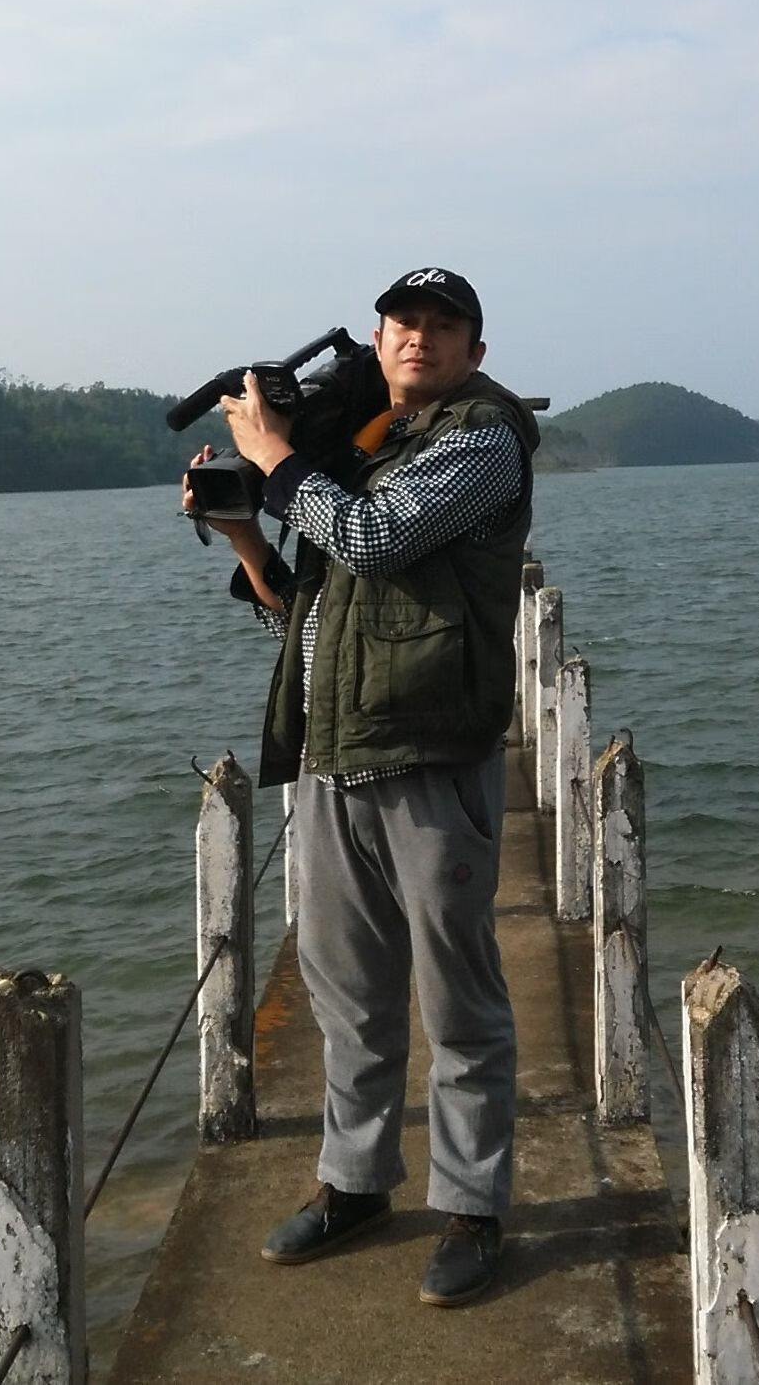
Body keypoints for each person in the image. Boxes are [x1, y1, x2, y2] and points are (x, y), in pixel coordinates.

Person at [183, 266, 539, 1308]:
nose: (417, 341)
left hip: (432, 755)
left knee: (459, 999)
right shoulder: (361, 451)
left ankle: (473, 1208)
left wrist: (278, 459)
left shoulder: (482, 439)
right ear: (377, 342)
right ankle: (353, 1183)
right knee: (347, 997)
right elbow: (310, 604)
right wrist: (247, 526)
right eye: (401, 325)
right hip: (333, 756)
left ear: (474, 348)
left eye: (441, 326)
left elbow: (373, 538)